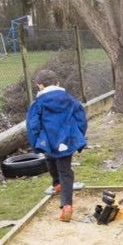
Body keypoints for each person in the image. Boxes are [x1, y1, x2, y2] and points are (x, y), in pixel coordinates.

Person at [25, 69, 87, 222]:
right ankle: (64, 198)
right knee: (64, 170)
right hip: (67, 141)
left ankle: (60, 192)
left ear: (39, 86)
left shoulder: (37, 104)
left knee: (50, 159)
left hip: (48, 141)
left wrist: (36, 143)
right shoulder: (70, 100)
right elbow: (81, 119)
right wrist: (78, 136)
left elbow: (32, 126)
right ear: (58, 83)